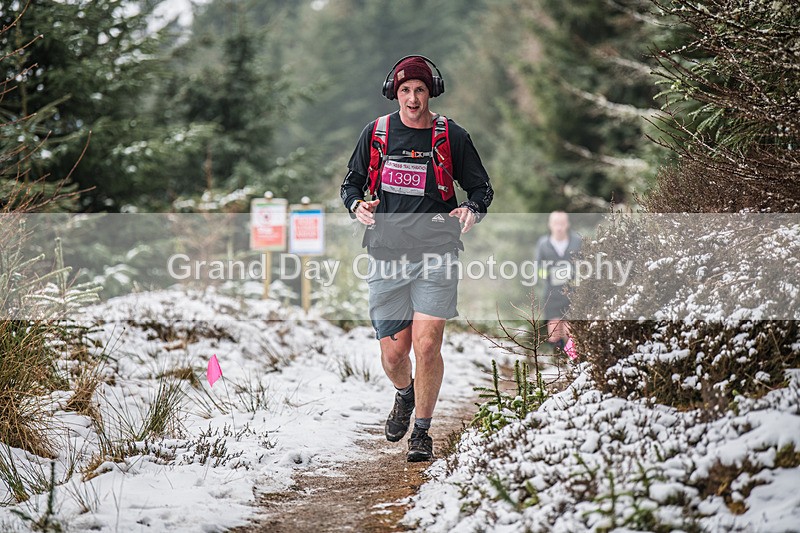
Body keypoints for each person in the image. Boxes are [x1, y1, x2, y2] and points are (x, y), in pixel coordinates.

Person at [340, 55, 493, 462]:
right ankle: (404, 394)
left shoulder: (451, 136)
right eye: (406, 90)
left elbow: (481, 189)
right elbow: (350, 184)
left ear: (430, 92)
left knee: (427, 345)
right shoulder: (377, 133)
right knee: (394, 353)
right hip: (386, 253)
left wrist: (471, 211)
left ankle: (422, 432)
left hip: (437, 252)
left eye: (420, 89)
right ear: (396, 92)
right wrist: (357, 205)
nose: (413, 97)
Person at [534, 211, 582, 349]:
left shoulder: (577, 241)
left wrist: (575, 274)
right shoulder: (543, 244)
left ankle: (573, 363)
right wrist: (549, 274)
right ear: (550, 225)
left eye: (562, 223)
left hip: (574, 293)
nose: (559, 227)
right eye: (556, 223)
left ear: (567, 224)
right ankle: (557, 364)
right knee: (554, 332)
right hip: (552, 294)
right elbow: (538, 266)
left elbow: (584, 263)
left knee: (572, 331)